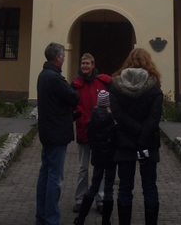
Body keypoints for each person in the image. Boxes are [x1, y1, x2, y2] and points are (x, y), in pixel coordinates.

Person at [109, 48, 163, 225]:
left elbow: (117, 113)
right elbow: (154, 117)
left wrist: (134, 130)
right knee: (150, 187)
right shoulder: (154, 86)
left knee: (125, 188)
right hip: (148, 142)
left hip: (124, 141)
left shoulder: (116, 84)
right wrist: (142, 134)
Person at [36, 42, 80, 225]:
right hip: (56, 133)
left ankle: (42, 216)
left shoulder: (43, 75)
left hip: (47, 132)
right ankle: (51, 219)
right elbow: (74, 97)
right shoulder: (55, 78)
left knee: (45, 175)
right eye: (62, 56)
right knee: (55, 178)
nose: (64, 59)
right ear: (57, 58)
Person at [72, 53, 111, 214]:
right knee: (83, 167)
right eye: (83, 64)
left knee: (99, 167)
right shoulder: (76, 84)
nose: (85, 66)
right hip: (83, 129)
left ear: (93, 65)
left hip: (99, 131)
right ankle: (80, 199)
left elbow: (112, 100)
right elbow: (70, 104)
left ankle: (100, 198)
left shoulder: (102, 82)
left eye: (87, 63)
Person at [73, 90, 117, 225]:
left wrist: (95, 150)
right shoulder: (112, 120)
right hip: (111, 159)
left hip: (98, 157)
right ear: (109, 103)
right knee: (108, 189)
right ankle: (106, 221)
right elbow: (116, 139)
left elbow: (90, 140)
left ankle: (81, 219)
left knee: (93, 186)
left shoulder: (92, 119)